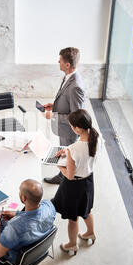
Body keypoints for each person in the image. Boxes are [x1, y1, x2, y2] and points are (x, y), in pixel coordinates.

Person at [51, 109, 103, 256]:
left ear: (78, 128)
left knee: (73, 218)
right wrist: (68, 152)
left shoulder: (75, 149)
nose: (71, 128)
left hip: (74, 186)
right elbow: (84, 154)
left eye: (72, 126)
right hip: (88, 181)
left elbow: (69, 176)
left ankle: (72, 245)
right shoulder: (96, 137)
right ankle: (90, 233)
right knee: (86, 211)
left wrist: (60, 166)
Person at [42, 47, 86, 184]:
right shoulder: (69, 77)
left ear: (67, 65)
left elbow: (76, 117)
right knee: (65, 154)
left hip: (69, 131)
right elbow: (66, 100)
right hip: (64, 129)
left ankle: (65, 181)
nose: (58, 62)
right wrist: (54, 106)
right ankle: (62, 177)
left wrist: (53, 115)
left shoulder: (75, 86)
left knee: (69, 158)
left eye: (60, 60)